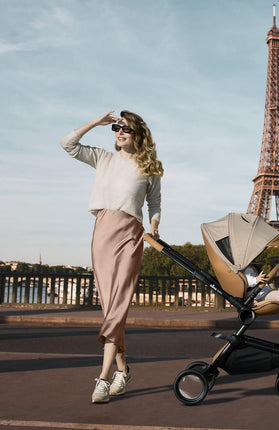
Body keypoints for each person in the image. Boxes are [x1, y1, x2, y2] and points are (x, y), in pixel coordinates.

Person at [60, 110, 163, 403]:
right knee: (109, 309)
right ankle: (122, 370)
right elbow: (67, 144)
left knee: (118, 304)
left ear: (138, 135)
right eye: (117, 127)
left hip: (131, 234)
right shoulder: (102, 158)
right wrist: (96, 123)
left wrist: (154, 226)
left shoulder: (149, 167)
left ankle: (103, 379)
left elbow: (154, 203)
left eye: (126, 129)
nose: (120, 131)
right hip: (103, 232)